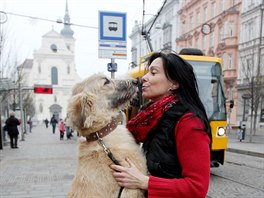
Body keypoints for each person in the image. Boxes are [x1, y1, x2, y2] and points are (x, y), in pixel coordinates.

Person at [110, 52, 212, 197]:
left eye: (153, 73)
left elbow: (196, 188)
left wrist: (144, 182)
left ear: (174, 83)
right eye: (147, 73)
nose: (144, 78)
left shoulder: (189, 123)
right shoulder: (150, 117)